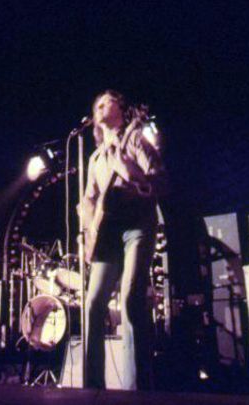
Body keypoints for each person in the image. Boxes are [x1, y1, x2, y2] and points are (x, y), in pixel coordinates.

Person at [78, 90, 166, 390]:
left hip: (137, 226)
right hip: (107, 233)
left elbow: (159, 180)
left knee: (131, 297)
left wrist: (130, 173)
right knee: (92, 303)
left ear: (121, 108)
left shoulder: (136, 139)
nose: (100, 107)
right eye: (97, 104)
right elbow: (88, 199)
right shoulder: (95, 158)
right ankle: (92, 386)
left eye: (107, 102)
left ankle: (136, 387)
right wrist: (88, 229)